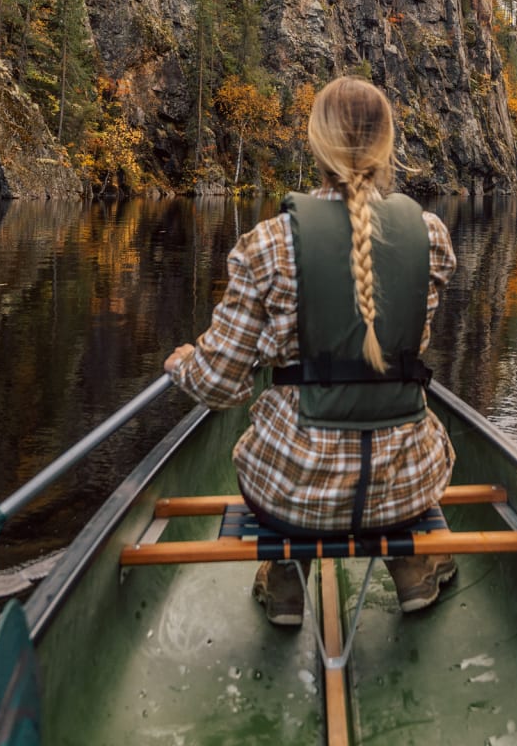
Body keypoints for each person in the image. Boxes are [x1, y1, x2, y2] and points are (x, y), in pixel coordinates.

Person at [165, 75, 459, 626]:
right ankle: (412, 567)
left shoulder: (268, 246)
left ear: (315, 144)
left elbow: (219, 385)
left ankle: (284, 580)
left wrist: (183, 364)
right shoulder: (432, 237)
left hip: (295, 492)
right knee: (403, 452)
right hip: (408, 485)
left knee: (271, 452)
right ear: (387, 144)